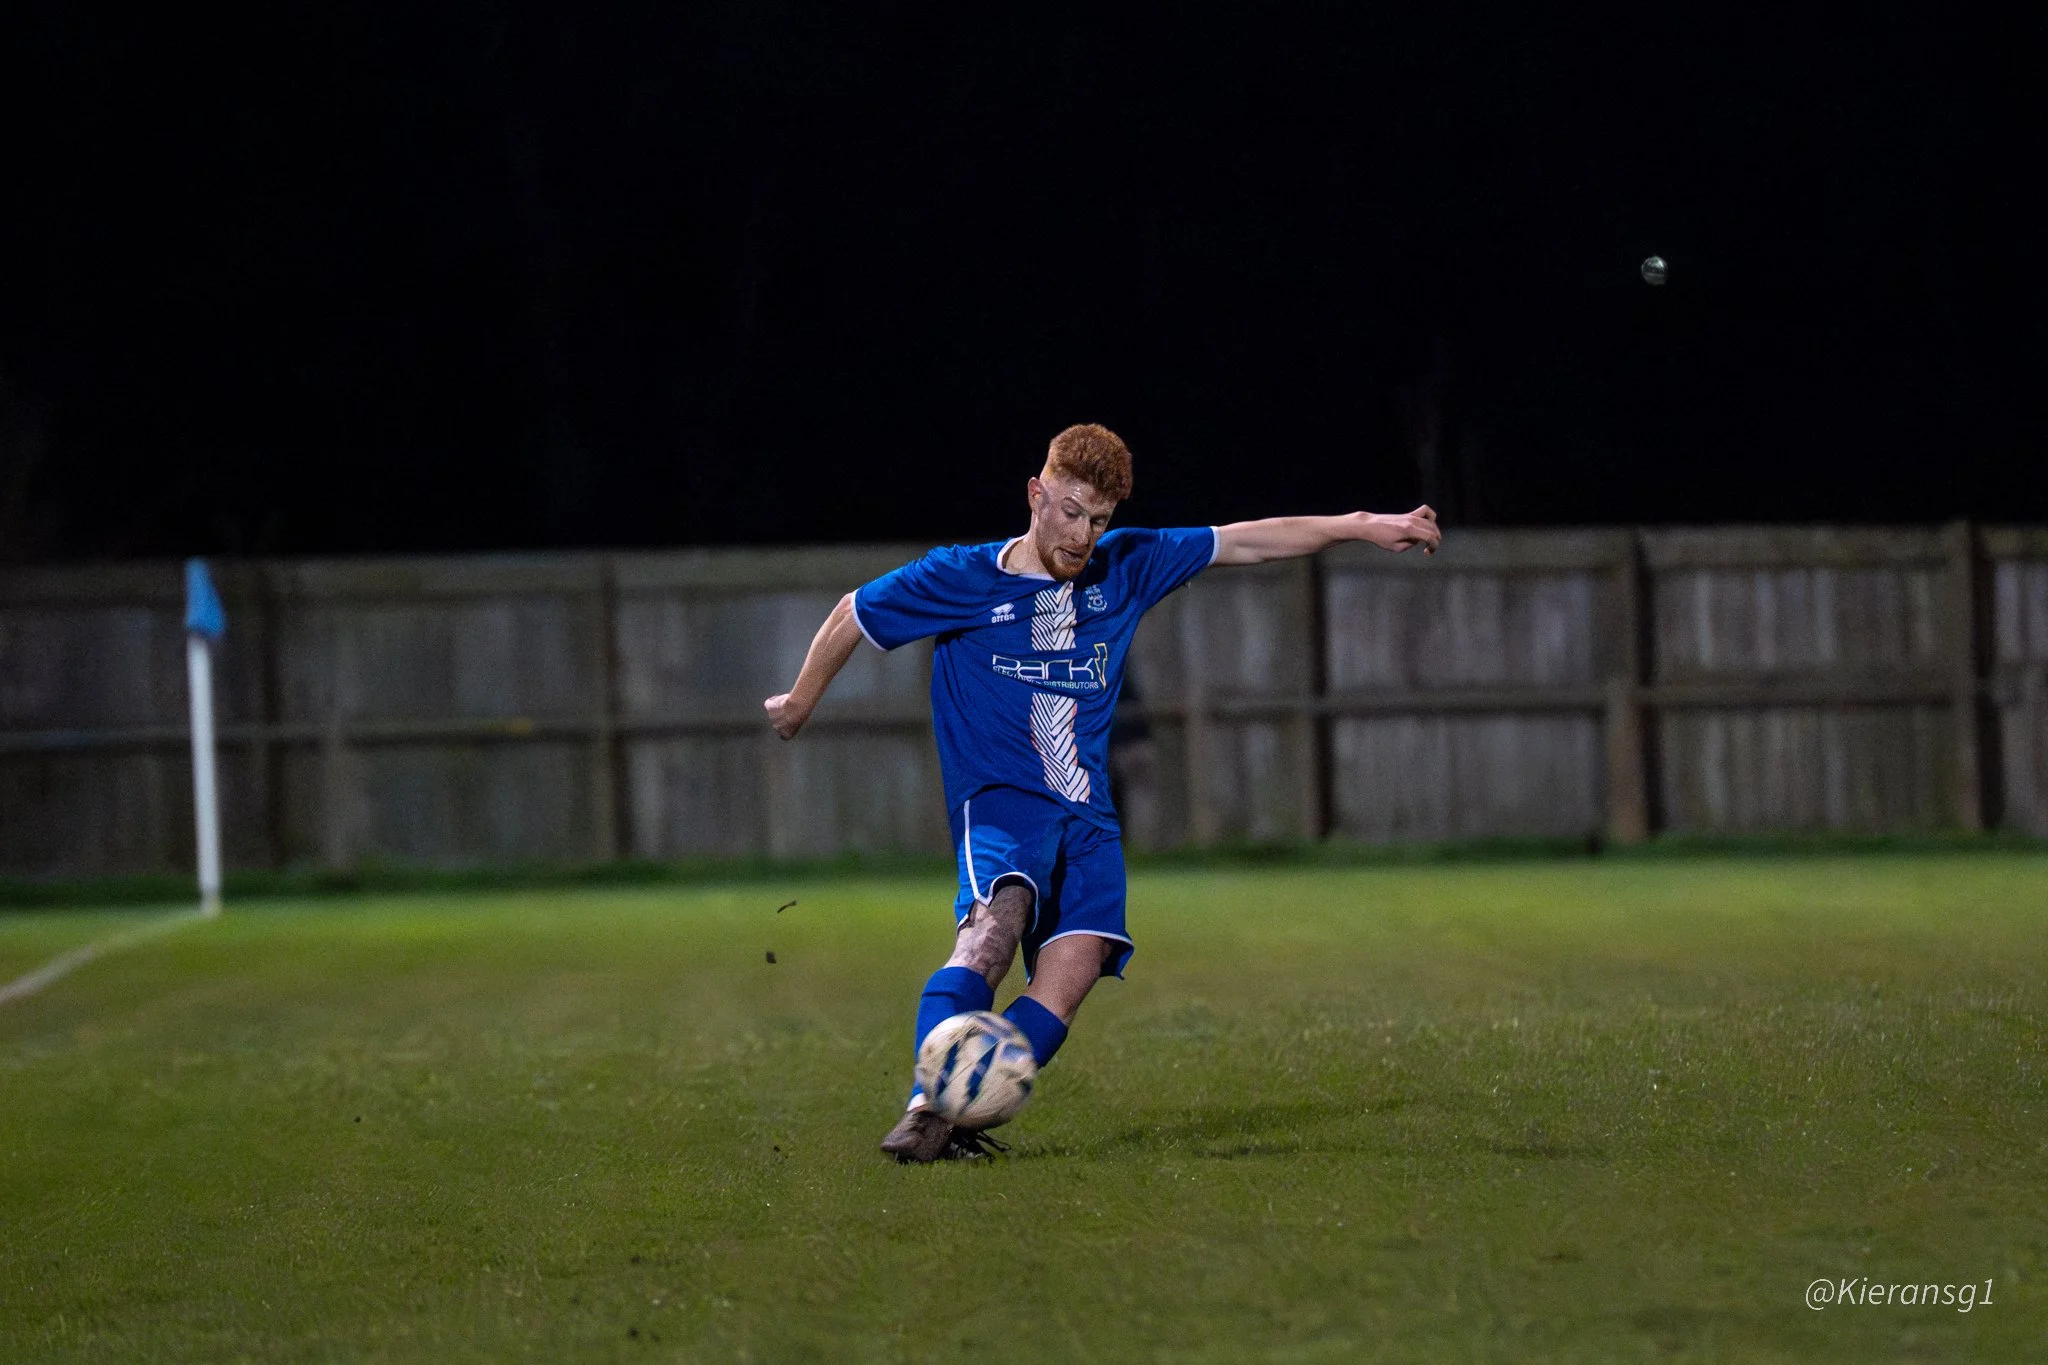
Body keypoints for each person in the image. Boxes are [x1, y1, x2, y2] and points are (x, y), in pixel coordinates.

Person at [762, 424, 1440, 1162]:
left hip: (1088, 818)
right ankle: (930, 1101)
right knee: (994, 927)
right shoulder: (963, 577)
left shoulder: (1126, 567)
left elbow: (1248, 539)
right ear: (1036, 494)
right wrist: (800, 702)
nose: (1084, 534)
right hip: (1000, 804)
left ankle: (962, 1107)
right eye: (1072, 511)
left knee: (1073, 974)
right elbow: (852, 612)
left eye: (1099, 518)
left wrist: (1366, 526)